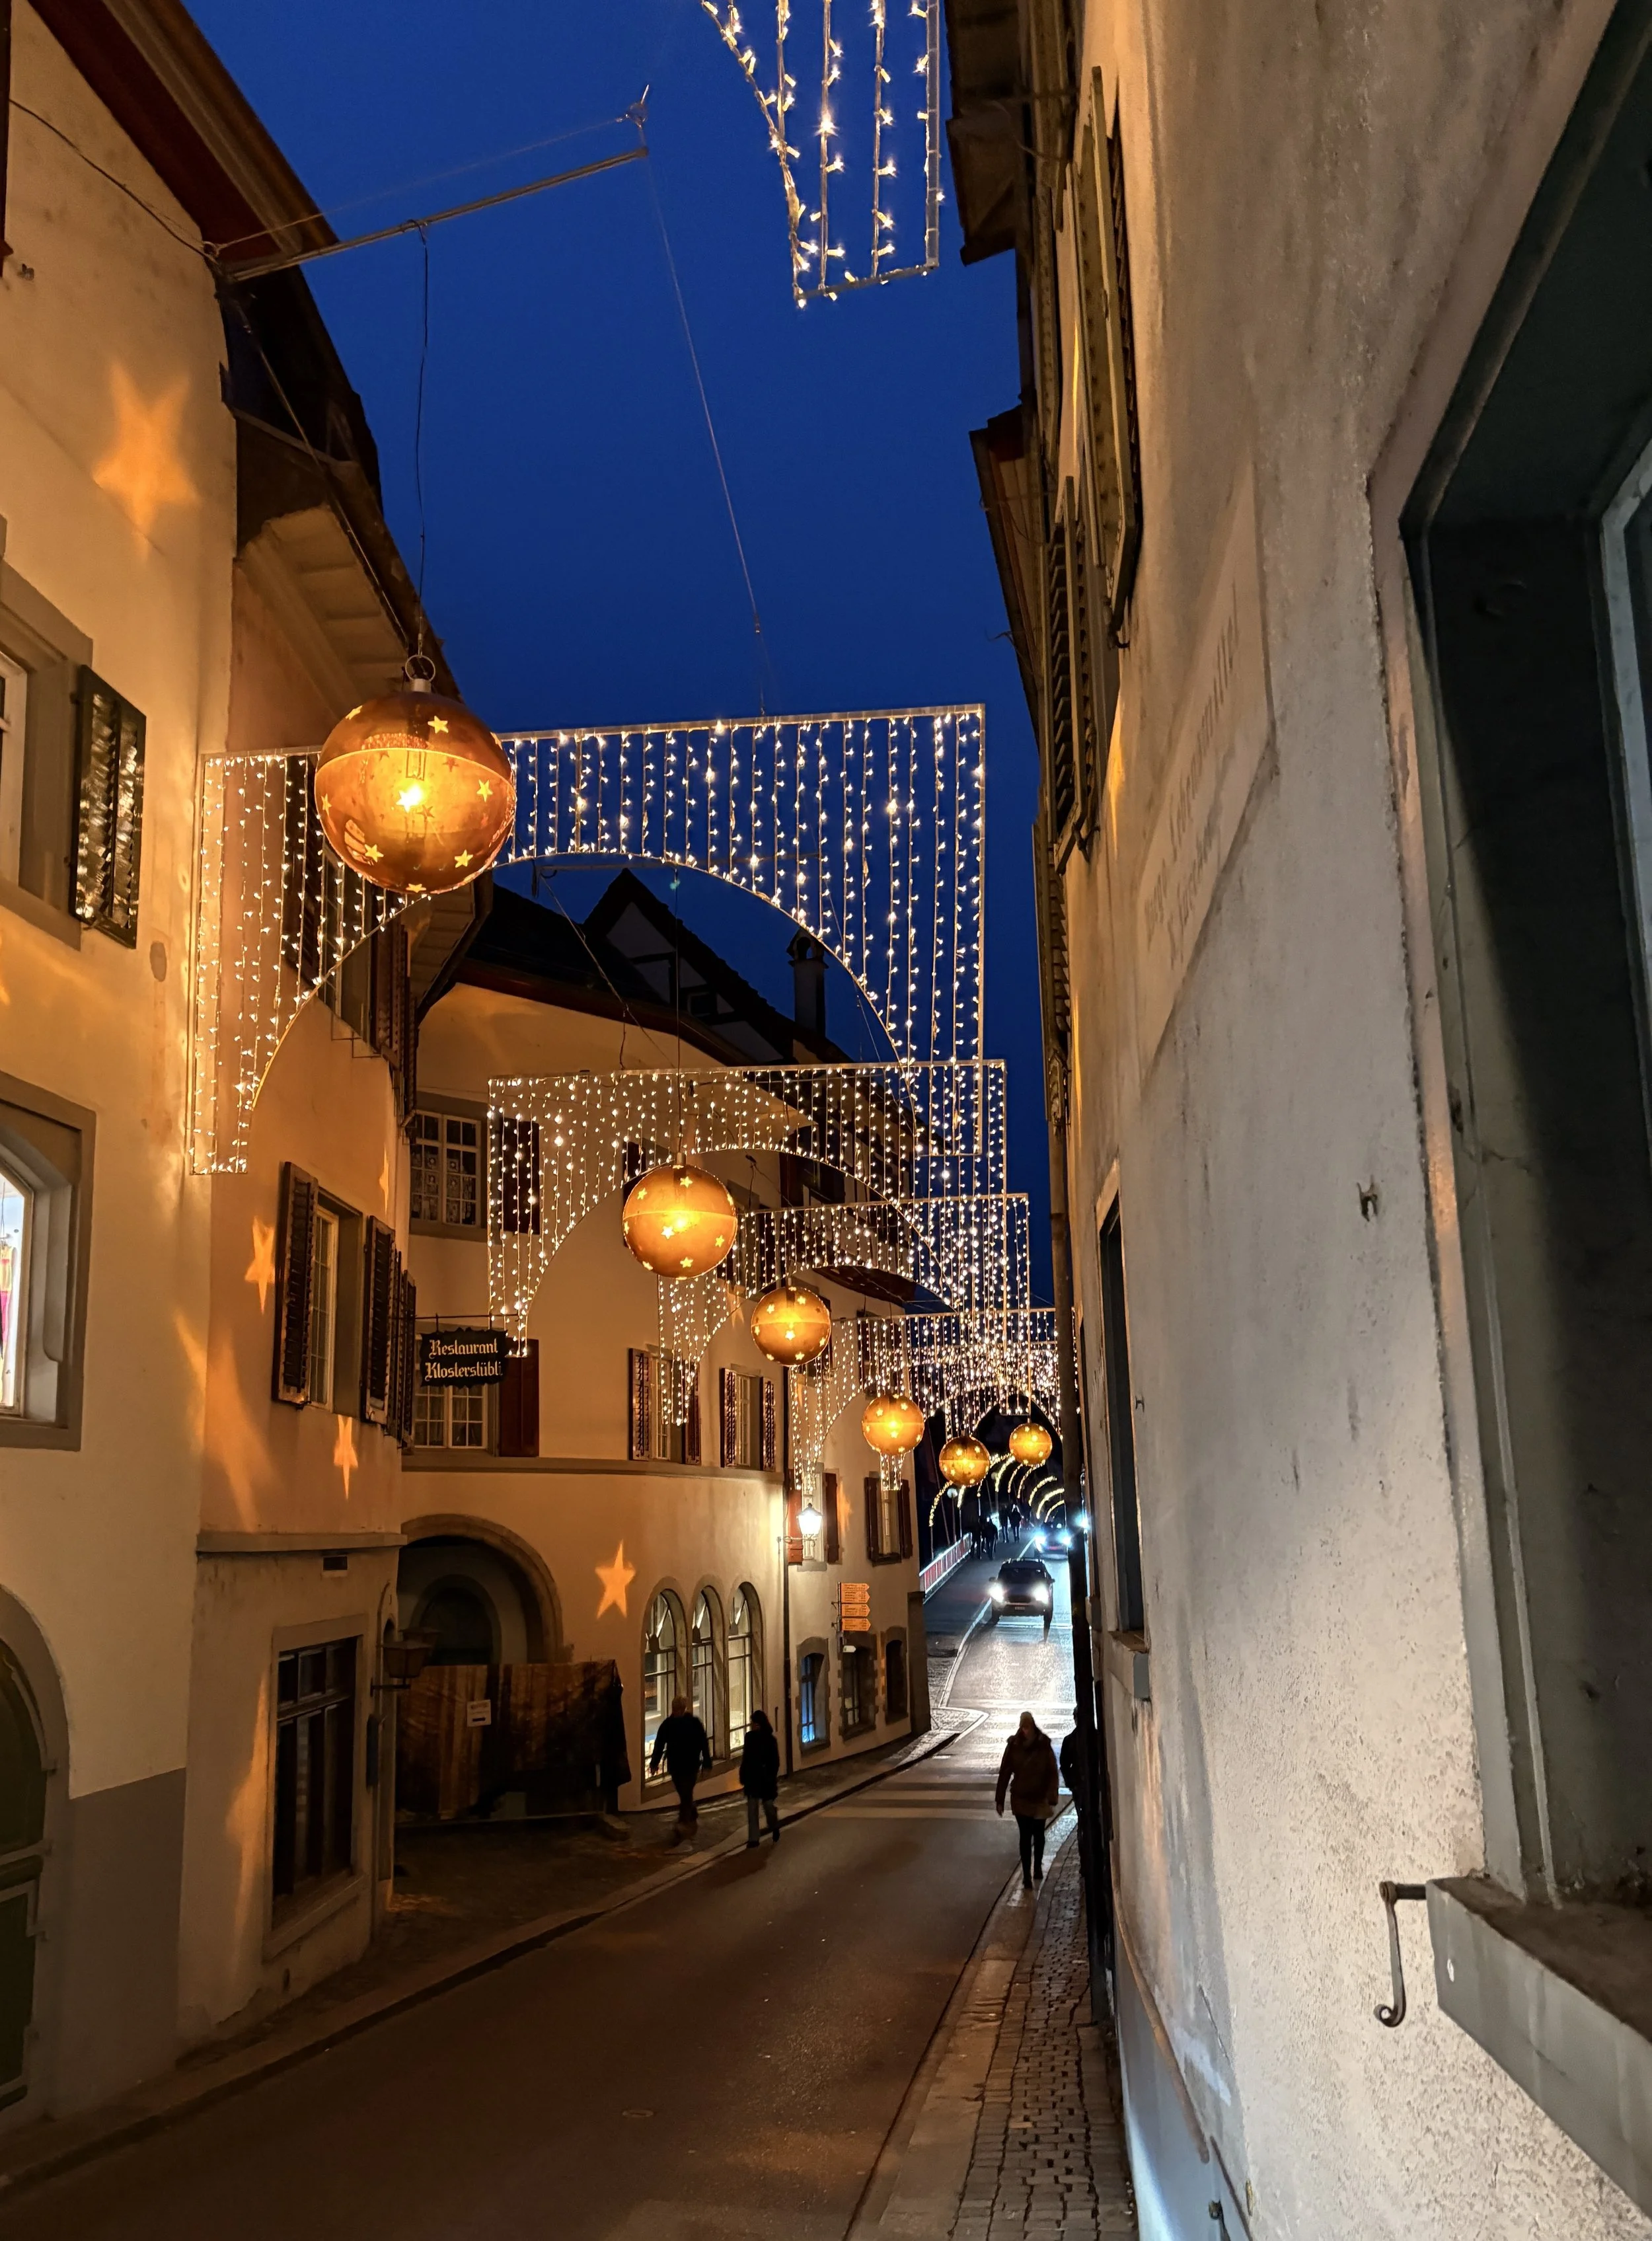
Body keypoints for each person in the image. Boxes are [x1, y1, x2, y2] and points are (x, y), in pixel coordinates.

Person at [995, 1710, 1061, 1887]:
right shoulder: (1014, 1745)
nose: (1026, 1730)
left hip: (1039, 1798)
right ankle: (1026, 1875)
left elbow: (1052, 1771)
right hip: (1021, 1799)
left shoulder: (1043, 1744)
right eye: (1023, 1727)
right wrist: (999, 1799)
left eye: (1028, 1726)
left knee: (1039, 1834)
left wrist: (1052, 1794)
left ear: (1032, 1726)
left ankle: (1037, 1867)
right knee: (1025, 1836)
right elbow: (1005, 1772)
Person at [649, 1694, 712, 1842]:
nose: (675, 1711)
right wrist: (654, 1763)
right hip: (682, 1765)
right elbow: (659, 1745)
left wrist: (654, 1763)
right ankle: (691, 1811)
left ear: (682, 1709)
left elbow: (660, 1745)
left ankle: (683, 1822)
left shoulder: (674, 1724)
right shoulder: (685, 1724)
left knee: (686, 1792)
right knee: (685, 1792)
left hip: (687, 1765)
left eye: (677, 1709)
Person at [739, 1708, 781, 1847]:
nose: (754, 1726)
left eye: (756, 1723)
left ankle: (774, 1825)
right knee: (752, 1809)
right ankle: (753, 1839)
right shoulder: (749, 1737)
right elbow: (746, 1757)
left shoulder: (770, 1740)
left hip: (766, 1779)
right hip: (752, 1777)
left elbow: (775, 1761)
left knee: (768, 1806)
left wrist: (770, 1775)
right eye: (753, 1723)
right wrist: (743, 1774)